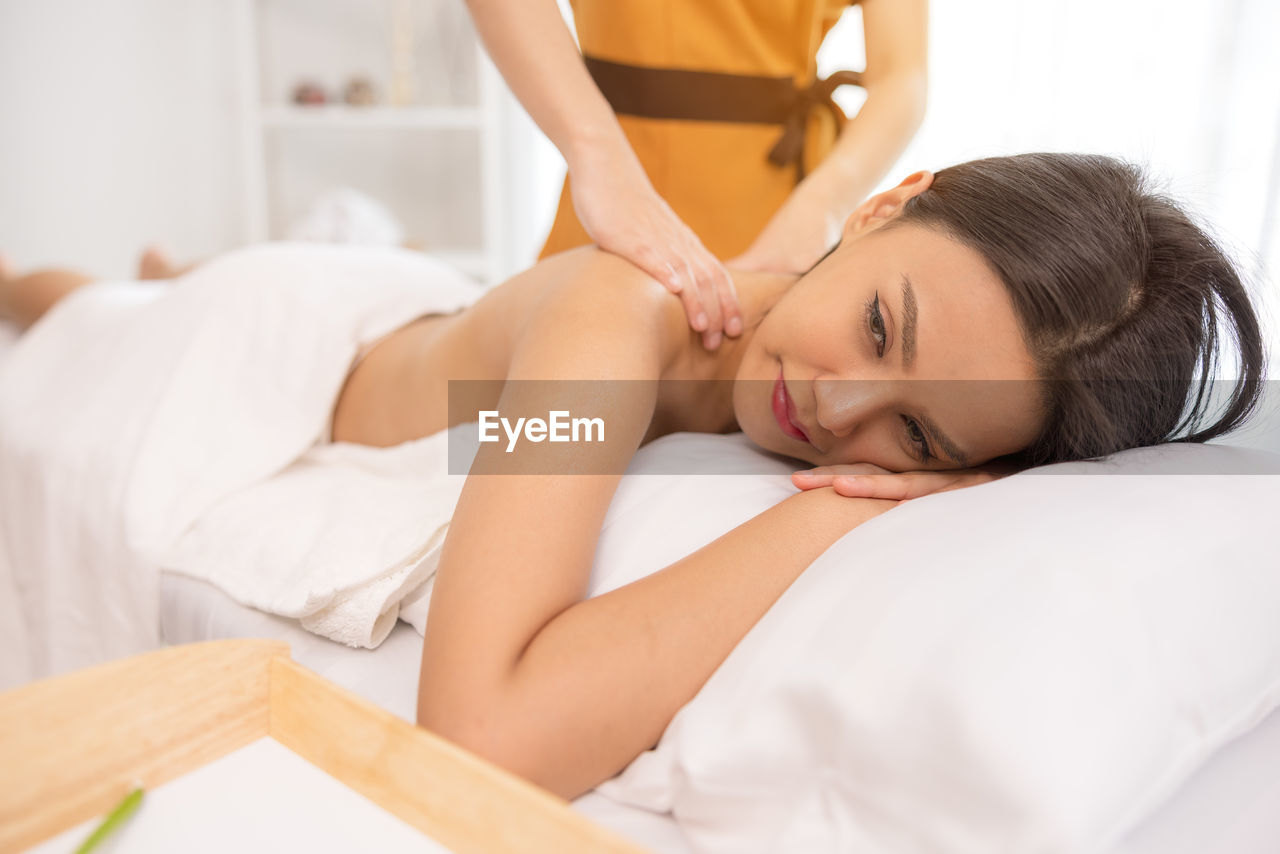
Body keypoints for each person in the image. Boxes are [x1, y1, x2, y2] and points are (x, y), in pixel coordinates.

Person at [0, 153, 1264, 799]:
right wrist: (821, 522)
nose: (836, 409)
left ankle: (148, 272)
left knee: (124, 291)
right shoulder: (619, 322)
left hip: (417, 325)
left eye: (917, 439)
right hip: (269, 351)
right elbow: (480, 730)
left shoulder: (800, 311)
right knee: (87, 314)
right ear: (886, 204)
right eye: (880, 331)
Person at [465, 0, 928, 350]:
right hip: (613, 203)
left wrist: (820, 207)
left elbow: (902, 75)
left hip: (776, 230)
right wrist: (595, 153)